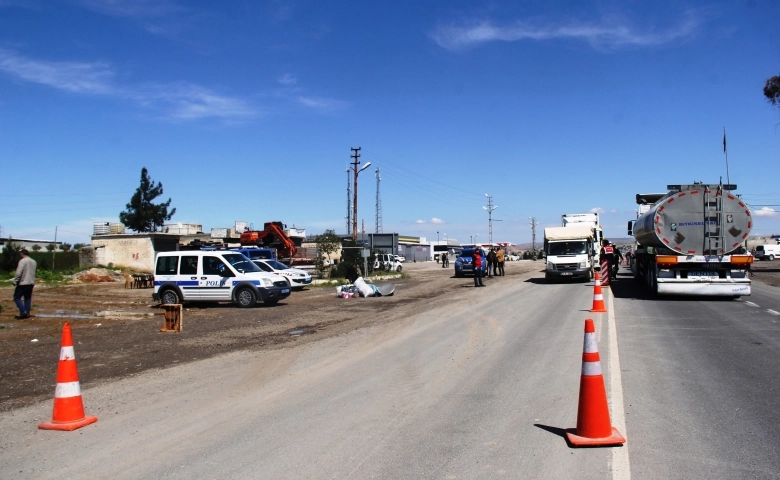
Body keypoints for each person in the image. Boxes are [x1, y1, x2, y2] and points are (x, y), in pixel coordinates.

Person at [13, 248, 37, 319]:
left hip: (23, 282)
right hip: (31, 282)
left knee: (16, 297)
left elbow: (19, 272)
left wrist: (15, 281)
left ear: (22, 254)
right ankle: (27, 312)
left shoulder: (22, 261)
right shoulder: (34, 261)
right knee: (28, 297)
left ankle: (23, 311)